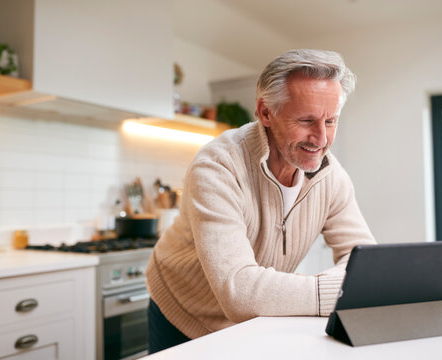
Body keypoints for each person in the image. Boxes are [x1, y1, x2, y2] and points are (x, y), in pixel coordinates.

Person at [146, 49, 376, 353]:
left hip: (256, 318)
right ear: (265, 112)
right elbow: (240, 292)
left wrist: (342, 286)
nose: (321, 139)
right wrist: (336, 289)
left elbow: (366, 263)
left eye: (330, 121)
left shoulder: (330, 176)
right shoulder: (218, 166)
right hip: (184, 311)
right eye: (307, 120)